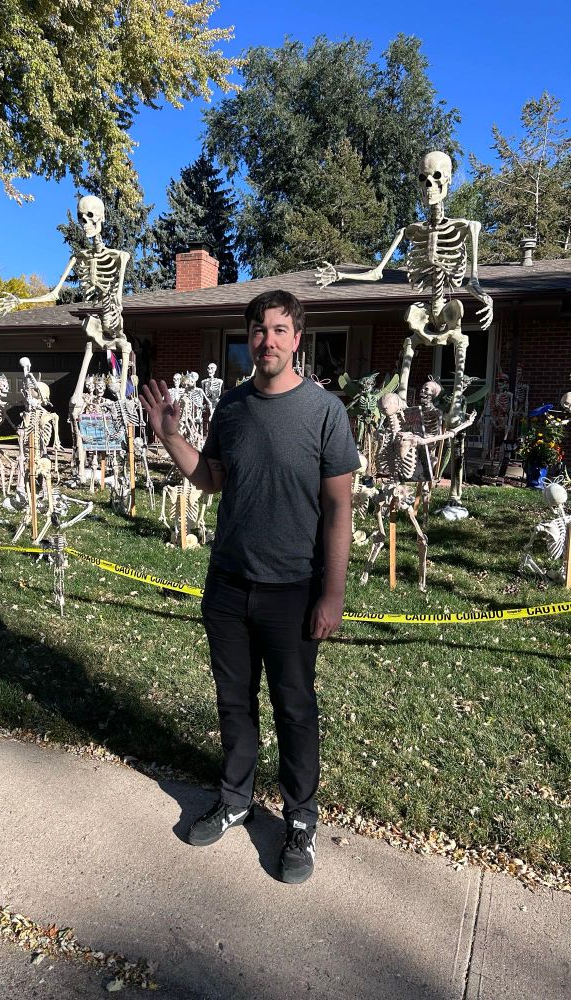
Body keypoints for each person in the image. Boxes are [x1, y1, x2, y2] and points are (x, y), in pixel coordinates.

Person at [140, 289, 359, 884]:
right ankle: (236, 797)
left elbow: (339, 509)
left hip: (293, 589)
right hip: (230, 586)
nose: (268, 340)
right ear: (250, 338)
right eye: (259, 330)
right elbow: (210, 479)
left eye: (280, 330)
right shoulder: (231, 409)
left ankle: (300, 820)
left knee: (294, 706)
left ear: (298, 339)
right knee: (234, 702)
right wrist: (167, 435)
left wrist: (332, 596)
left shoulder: (324, 412)